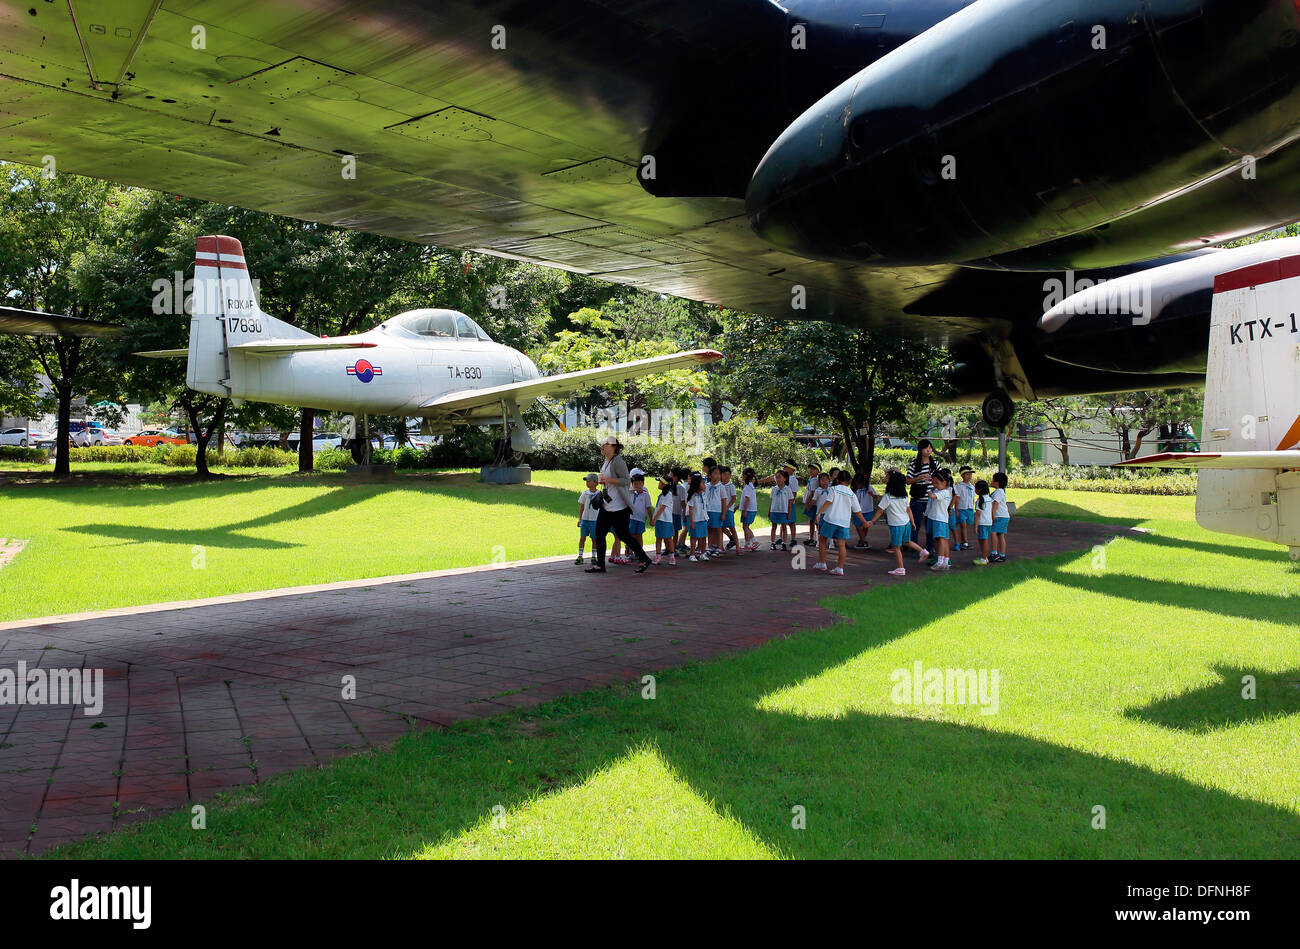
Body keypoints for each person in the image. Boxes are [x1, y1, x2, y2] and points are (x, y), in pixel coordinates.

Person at [589, 435, 652, 574]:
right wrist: (604, 481)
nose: (602, 446)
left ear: (613, 447)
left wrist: (608, 479)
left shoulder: (617, 461)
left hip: (619, 507)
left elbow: (626, 481)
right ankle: (600, 564)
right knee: (599, 533)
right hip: (607, 505)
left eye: (605, 444)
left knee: (623, 535)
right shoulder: (606, 461)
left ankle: (644, 558)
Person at [869, 469, 928, 576]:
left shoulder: (888, 497)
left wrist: (872, 521)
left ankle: (901, 568)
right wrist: (913, 522)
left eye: (887, 478)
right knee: (906, 541)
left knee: (896, 547)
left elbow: (880, 510)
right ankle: (922, 551)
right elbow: (908, 509)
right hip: (906, 523)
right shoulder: (904, 496)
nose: (886, 479)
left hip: (896, 525)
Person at [814, 470, 870, 576]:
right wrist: (865, 522)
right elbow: (857, 511)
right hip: (844, 522)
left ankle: (822, 563)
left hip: (831, 519)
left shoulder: (833, 489)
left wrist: (819, 512)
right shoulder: (852, 494)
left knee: (822, 539)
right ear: (849, 481)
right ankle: (840, 568)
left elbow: (828, 502)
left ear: (837, 479)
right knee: (841, 545)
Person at [906, 439, 939, 550]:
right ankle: (914, 548)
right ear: (920, 450)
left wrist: (935, 482)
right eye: (926, 448)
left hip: (931, 499)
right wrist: (918, 478)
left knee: (930, 526)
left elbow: (942, 480)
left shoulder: (935, 463)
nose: (929, 450)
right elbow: (907, 480)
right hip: (918, 499)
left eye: (930, 448)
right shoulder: (914, 463)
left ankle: (930, 548)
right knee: (915, 525)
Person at [926, 468, 953, 571]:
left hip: (939, 519)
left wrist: (927, 486)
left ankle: (941, 560)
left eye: (936, 483)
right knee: (940, 539)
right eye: (933, 482)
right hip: (936, 518)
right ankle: (944, 561)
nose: (934, 485)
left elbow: (932, 496)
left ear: (944, 482)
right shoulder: (939, 490)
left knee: (941, 539)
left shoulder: (945, 492)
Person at [576, 473, 603, 565]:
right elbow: (582, 507)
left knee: (594, 539)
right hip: (585, 520)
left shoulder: (599, 494)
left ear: (596, 483)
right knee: (582, 538)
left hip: (594, 520)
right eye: (586, 481)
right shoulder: (585, 493)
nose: (587, 483)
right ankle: (580, 556)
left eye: (589, 481)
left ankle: (593, 556)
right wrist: (580, 519)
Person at [626, 470, 652, 562]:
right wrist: (635, 490)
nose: (637, 485)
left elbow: (648, 507)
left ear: (643, 484)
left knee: (639, 535)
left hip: (640, 518)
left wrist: (651, 518)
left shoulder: (645, 494)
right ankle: (630, 552)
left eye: (640, 483)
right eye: (635, 484)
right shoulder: (630, 491)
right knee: (631, 535)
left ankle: (639, 553)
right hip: (631, 518)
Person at [651, 475, 678, 565]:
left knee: (668, 539)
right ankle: (658, 556)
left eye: (661, 482)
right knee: (658, 538)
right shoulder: (662, 495)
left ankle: (672, 557)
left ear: (665, 485)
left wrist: (654, 519)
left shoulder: (667, 495)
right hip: (660, 520)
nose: (659, 484)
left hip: (666, 520)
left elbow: (662, 508)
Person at [686, 473, 710, 561]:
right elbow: (691, 510)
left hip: (703, 518)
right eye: (703, 483)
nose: (704, 485)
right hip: (695, 520)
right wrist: (691, 522)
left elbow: (706, 505)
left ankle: (702, 553)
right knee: (694, 537)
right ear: (697, 485)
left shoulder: (704, 494)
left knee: (703, 537)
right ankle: (692, 554)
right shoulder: (692, 496)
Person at [769, 468, 793, 550]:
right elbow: (771, 500)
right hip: (774, 511)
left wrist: (789, 513)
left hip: (783, 511)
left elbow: (790, 502)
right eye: (776, 477)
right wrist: (769, 511)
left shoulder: (788, 489)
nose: (778, 479)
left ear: (785, 478)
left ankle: (784, 543)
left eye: (780, 477)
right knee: (773, 527)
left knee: (784, 527)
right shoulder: (774, 489)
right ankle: (772, 543)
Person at [990, 471, 1011, 562]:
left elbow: (995, 504)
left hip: (999, 516)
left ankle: (994, 553)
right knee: (1001, 535)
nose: (991, 481)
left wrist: (992, 515)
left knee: (993, 532)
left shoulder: (998, 492)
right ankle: (1002, 554)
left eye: (993, 480)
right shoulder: (1000, 492)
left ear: (997, 482)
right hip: (1004, 516)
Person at [852, 471, 877, 548]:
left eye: (860, 484)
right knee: (857, 525)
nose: (859, 485)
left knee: (866, 525)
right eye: (857, 484)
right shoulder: (854, 489)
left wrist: (872, 494)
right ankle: (864, 540)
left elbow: (876, 497)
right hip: (857, 510)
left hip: (867, 509)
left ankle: (862, 540)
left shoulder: (869, 487)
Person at [720, 465, 741, 553]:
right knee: (720, 528)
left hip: (728, 510)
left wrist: (727, 507)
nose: (727, 476)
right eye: (725, 474)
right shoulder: (719, 485)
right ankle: (721, 546)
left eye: (729, 474)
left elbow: (734, 498)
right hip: (720, 510)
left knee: (732, 528)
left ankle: (738, 547)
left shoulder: (731, 486)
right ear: (721, 475)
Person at [704, 466, 725, 556]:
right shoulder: (706, 486)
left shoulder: (721, 487)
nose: (717, 475)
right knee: (710, 529)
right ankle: (710, 546)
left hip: (717, 511)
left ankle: (720, 547)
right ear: (710, 475)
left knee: (718, 529)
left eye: (719, 473)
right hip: (708, 510)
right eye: (715, 473)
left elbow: (724, 501)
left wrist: (723, 513)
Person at [954, 466, 976, 551]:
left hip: (969, 509)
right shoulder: (959, 486)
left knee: (967, 525)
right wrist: (956, 510)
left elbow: (972, 498)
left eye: (970, 474)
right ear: (962, 475)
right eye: (967, 474)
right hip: (961, 508)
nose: (969, 476)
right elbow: (957, 498)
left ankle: (964, 541)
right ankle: (965, 542)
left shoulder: (972, 487)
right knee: (963, 526)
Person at [973, 479, 993, 566]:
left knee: (983, 541)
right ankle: (984, 557)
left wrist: (976, 525)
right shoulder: (989, 499)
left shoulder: (979, 501)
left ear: (979, 490)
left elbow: (978, 514)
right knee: (984, 540)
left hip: (982, 523)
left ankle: (983, 559)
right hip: (989, 523)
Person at [739, 468, 760, 551]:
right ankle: (752, 541)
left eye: (743, 475)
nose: (741, 476)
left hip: (749, 510)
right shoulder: (751, 486)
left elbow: (747, 499)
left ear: (745, 476)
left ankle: (749, 543)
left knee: (745, 527)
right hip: (752, 509)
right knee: (746, 526)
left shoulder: (748, 487)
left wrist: (744, 511)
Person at [801, 463, 822, 546]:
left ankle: (816, 539)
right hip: (810, 503)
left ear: (818, 471)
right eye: (810, 469)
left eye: (813, 469)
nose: (811, 471)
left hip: (812, 504)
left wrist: (808, 504)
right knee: (810, 521)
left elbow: (812, 493)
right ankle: (811, 538)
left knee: (814, 521)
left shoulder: (815, 481)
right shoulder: (811, 479)